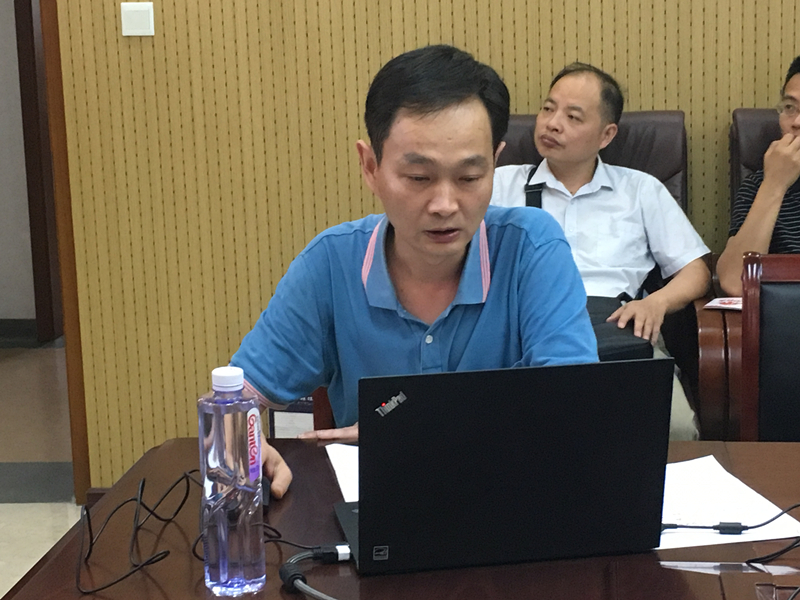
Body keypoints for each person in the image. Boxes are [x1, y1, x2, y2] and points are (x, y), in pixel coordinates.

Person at [232, 46, 598, 498]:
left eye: (469, 178)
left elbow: (573, 410)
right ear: (371, 167)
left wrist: (411, 430)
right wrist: (242, 441)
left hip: (508, 501)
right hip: (377, 507)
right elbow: (233, 403)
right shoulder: (331, 262)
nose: (445, 205)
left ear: (495, 162)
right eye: (419, 178)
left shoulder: (532, 248)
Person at [490, 63, 710, 440]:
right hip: (523, 329)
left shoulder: (640, 190)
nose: (552, 123)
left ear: (607, 134)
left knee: (674, 430)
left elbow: (696, 271)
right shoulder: (500, 184)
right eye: (548, 109)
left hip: (617, 327)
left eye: (573, 116)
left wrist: (655, 303)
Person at [717, 56, 800, 297]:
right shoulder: (759, 185)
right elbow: (734, 282)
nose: (796, 122)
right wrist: (775, 185)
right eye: (790, 107)